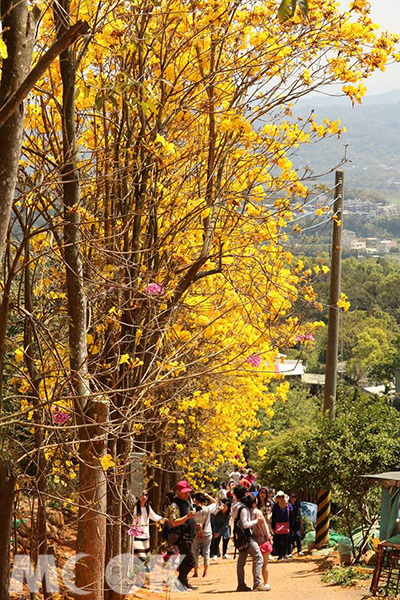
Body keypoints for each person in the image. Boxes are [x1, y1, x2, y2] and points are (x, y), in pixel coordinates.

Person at [231, 485, 264, 592]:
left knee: (241, 562)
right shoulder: (243, 508)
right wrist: (256, 521)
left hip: (240, 538)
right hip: (247, 537)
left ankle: (241, 584)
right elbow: (245, 524)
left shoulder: (234, 506)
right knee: (258, 557)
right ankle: (257, 583)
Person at [165, 480, 197, 590]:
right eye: (184, 492)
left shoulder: (187, 501)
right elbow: (174, 522)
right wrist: (187, 517)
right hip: (182, 536)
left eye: (188, 492)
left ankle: (184, 581)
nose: (187, 494)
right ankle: (179, 581)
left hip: (190, 535)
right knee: (191, 561)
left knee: (185, 560)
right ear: (178, 492)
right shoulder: (174, 504)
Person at [245, 495, 272, 591]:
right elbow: (264, 527)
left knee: (255, 563)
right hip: (262, 539)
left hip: (252, 540)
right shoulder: (258, 512)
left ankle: (256, 581)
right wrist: (269, 537)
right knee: (264, 564)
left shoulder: (246, 512)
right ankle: (265, 583)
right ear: (254, 503)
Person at [130, 490, 163, 563]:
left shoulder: (147, 507)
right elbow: (132, 522)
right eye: (142, 495)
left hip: (146, 536)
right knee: (141, 558)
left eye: (146, 495)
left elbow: (154, 516)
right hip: (137, 536)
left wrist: (165, 519)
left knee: (146, 560)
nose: (144, 497)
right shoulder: (135, 508)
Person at [192, 492, 217, 578]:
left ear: (195, 500)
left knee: (195, 552)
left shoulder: (193, 510)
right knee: (206, 552)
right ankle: (205, 572)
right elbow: (215, 503)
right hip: (207, 532)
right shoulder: (207, 509)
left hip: (196, 533)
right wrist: (208, 496)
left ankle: (195, 572)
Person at [271, 491, 293, 560]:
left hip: (287, 526)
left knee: (286, 541)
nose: (281, 498)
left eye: (282, 497)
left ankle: (285, 553)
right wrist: (273, 526)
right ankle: (280, 555)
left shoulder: (289, 506)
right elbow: (273, 517)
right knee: (278, 541)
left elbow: (292, 516)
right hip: (277, 526)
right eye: (279, 497)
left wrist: (291, 526)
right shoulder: (275, 507)